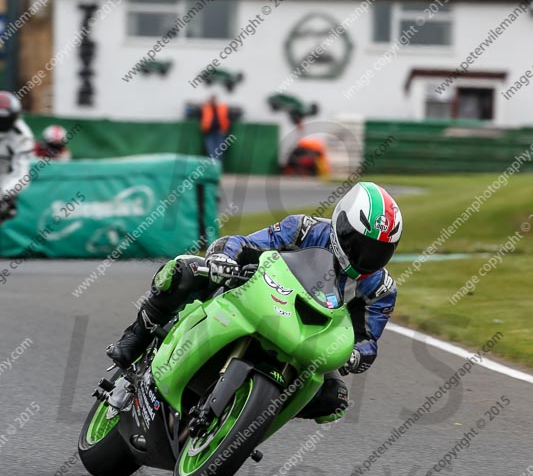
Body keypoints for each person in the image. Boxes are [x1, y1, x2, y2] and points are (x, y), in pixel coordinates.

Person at [107, 182, 402, 423]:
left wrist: (357, 355)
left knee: (334, 400)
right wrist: (224, 258)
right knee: (184, 271)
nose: (368, 257)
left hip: (305, 338)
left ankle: (249, 420)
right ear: (341, 224)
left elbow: (368, 340)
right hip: (258, 297)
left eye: (380, 251)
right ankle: (138, 335)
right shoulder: (304, 229)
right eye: (361, 244)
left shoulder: (381, 289)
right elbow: (245, 243)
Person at [0, 91, 34, 221]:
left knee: (5, 209)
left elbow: (22, 174)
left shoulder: (22, 136)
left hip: (4, 180)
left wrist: (4, 193)